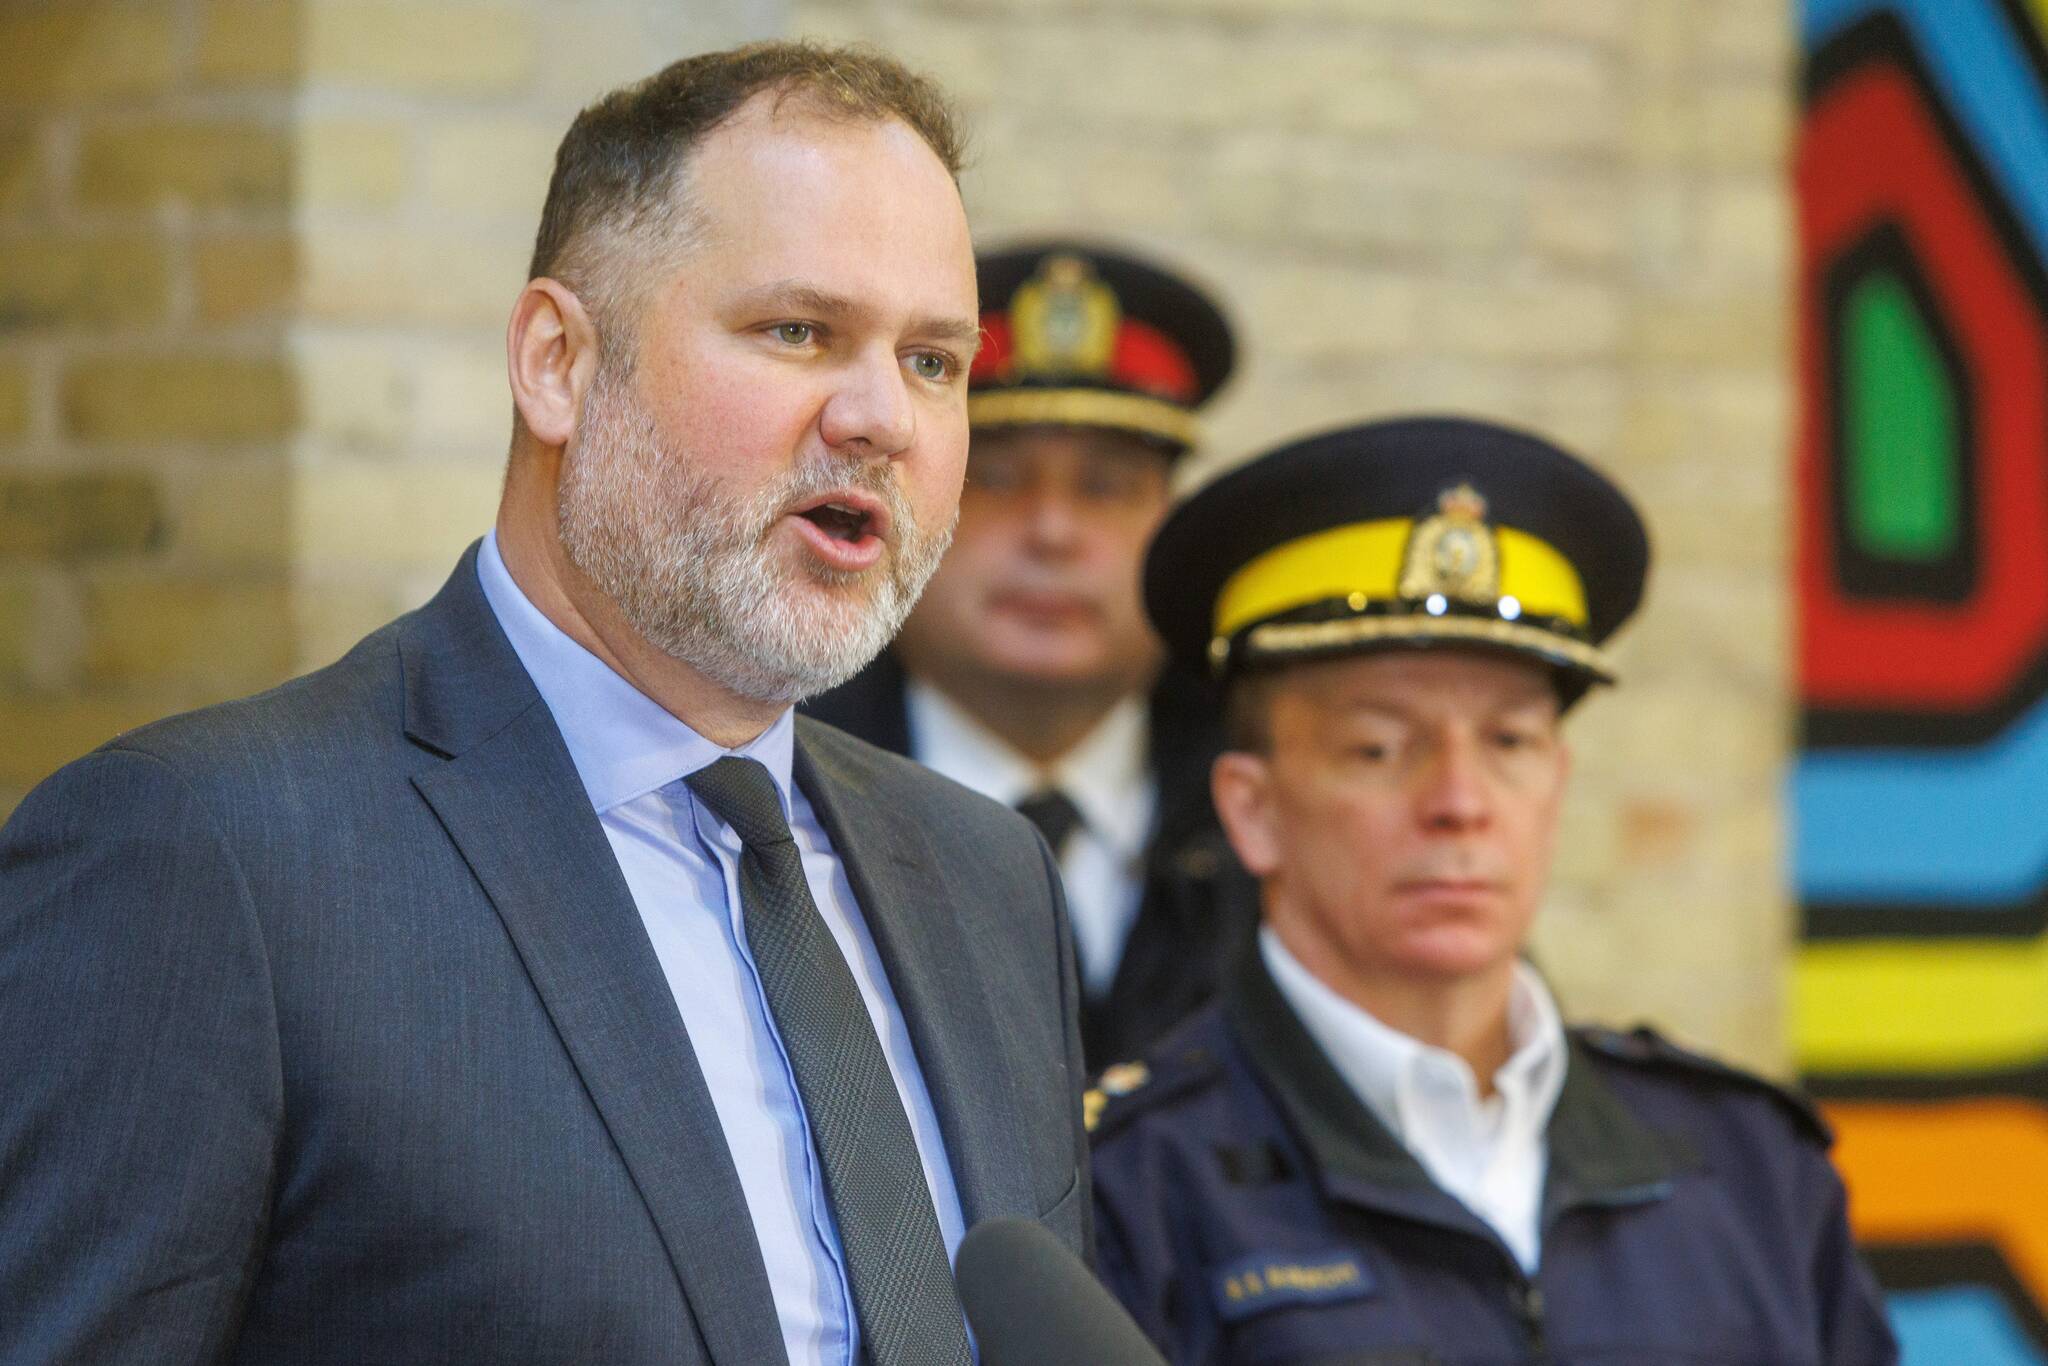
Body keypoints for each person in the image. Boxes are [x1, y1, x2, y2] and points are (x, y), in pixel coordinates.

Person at [0, 43, 1090, 1366]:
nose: (880, 418)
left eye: (932, 361)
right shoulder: (207, 858)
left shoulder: (988, 878)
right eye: (797, 331)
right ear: (557, 361)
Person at [1087, 416, 1898, 1364]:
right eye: (1379, 748)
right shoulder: (1132, 1184)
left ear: (1557, 780)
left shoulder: (1749, 1165)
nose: (1460, 804)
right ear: (1252, 810)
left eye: (1509, 741)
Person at [805, 242, 1258, 1066]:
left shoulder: (1270, 803)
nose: (1053, 532)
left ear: (1173, 527)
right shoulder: (779, 782)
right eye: (996, 479)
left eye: (1106, 487)